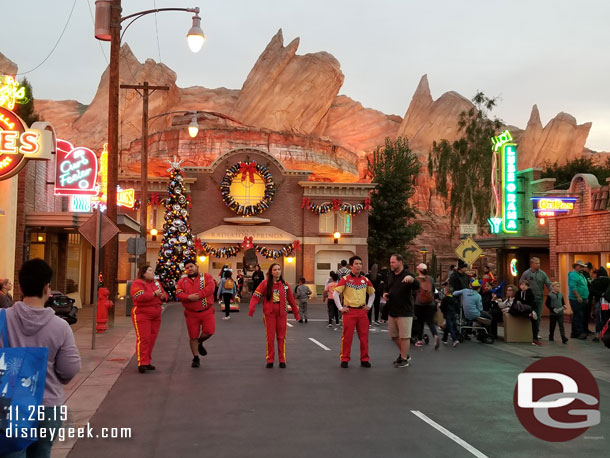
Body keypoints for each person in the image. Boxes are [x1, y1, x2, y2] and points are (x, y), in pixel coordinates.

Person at [1, 259, 81, 458]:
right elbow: (69, 369)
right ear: (48, 288)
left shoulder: (2, 318)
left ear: (20, 286)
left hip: (9, 407)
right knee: (42, 452)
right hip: (47, 407)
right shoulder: (60, 326)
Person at [249, 263, 300, 368]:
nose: (277, 271)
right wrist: (252, 308)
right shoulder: (265, 283)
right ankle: (270, 360)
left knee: (281, 337)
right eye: (275, 270)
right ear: (271, 272)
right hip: (269, 314)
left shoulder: (285, 284)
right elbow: (256, 296)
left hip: (282, 314)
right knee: (270, 337)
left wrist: (296, 313)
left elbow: (291, 299)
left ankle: (282, 359)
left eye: (279, 269)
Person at [333, 255, 375, 368]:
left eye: (360, 264)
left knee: (364, 337)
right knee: (347, 337)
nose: (359, 266)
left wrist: (369, 305)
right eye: (356, 264)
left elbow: (372, 293)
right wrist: (340, 308)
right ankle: (345, 359)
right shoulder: (345, 279)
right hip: (349, 312)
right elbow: (335, 293)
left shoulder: (365, 280)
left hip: (362, 312)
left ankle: (365, 359)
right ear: (351, 266)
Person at [176, 259, 216, 368]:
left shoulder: (206, 276)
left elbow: (210, 288)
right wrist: (188, 297)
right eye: (187, 268)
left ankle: (199, 342)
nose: (189, 269)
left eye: (191, 266)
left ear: (196, 266)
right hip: (191, 313)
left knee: (209, 331)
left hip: (207, 311)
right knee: (192, 336)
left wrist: (198, 296)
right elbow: (179, 293)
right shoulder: (182, 281)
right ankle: (196, 358)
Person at [130, 265, 168, 373]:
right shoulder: (138, 283)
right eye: (150, 270)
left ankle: (147, 361)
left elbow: (164, 293)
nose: (152, 273)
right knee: (144, 338)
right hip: (142, 314)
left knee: (152, 338)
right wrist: (153, 294)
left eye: (152, 271)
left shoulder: (156, 283)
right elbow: (139, 296)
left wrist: (163, 296)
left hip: (156, 314)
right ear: (144, 273)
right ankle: (142, 362)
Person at [383, 254, 418, 368]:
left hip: (405, 311)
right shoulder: (391, 275)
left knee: (404, 336)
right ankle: (405, 354)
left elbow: (416, 285)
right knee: (394, 336)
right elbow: (387, 288)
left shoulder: (408, 275)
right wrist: (385, 293)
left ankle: (403, 359)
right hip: (392, 309)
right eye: (390, 262)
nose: (391, 264)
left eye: (393, 262)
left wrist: (412, 280)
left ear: (400, 262)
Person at [520, 257, 552, 339]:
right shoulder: (526, 273)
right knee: (529, 315)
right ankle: (526, 332)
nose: (538, 265)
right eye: (536, 263)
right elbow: (521, 283)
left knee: (537, 316)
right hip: (528, 299)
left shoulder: (543, 274)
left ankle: (536, 332)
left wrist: (552, 291)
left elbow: (548, 284)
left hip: (539, 298)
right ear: (531, 264)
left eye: (539, 263)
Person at [413, 263, 440, 350]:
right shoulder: (431, 279)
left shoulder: (416, 279)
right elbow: (433, 290)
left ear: (419, 270)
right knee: (430, 322)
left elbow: (414, 291)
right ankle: (435, 335)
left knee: (419, 322)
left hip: (419, 303)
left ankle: (419, 340)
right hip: (430, 303)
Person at [568, 260, 589, 340]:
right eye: (580, 266)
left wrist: (585, 297)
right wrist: (578, 296)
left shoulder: (581, 275)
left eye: (583, 267)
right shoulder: (573, 275)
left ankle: (574, 333)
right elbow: (573, 287)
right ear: (576, 266)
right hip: (576, 299)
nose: (582, 268)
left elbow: (584, 286)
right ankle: (579, 333)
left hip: (582, 298)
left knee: (577, 315)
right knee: (579, 316)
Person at [518, 279, 542, 346]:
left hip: (530, 310)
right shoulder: (519, 292)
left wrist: (532, 311)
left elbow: (529, 302)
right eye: (522, 285)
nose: (523, 286)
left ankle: (535, 338)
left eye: (525, 285)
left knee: (534, 321)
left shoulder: (529, 292)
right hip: (521, 310)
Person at [590, 267, 610, 342]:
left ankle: (597, 334)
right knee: (607, 317)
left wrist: (600, 294)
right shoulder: (609, 280)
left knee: (599, 317)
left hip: (599, 301)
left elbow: (591, 291)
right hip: (608, 302)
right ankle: (606, 333)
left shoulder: (595, 282)